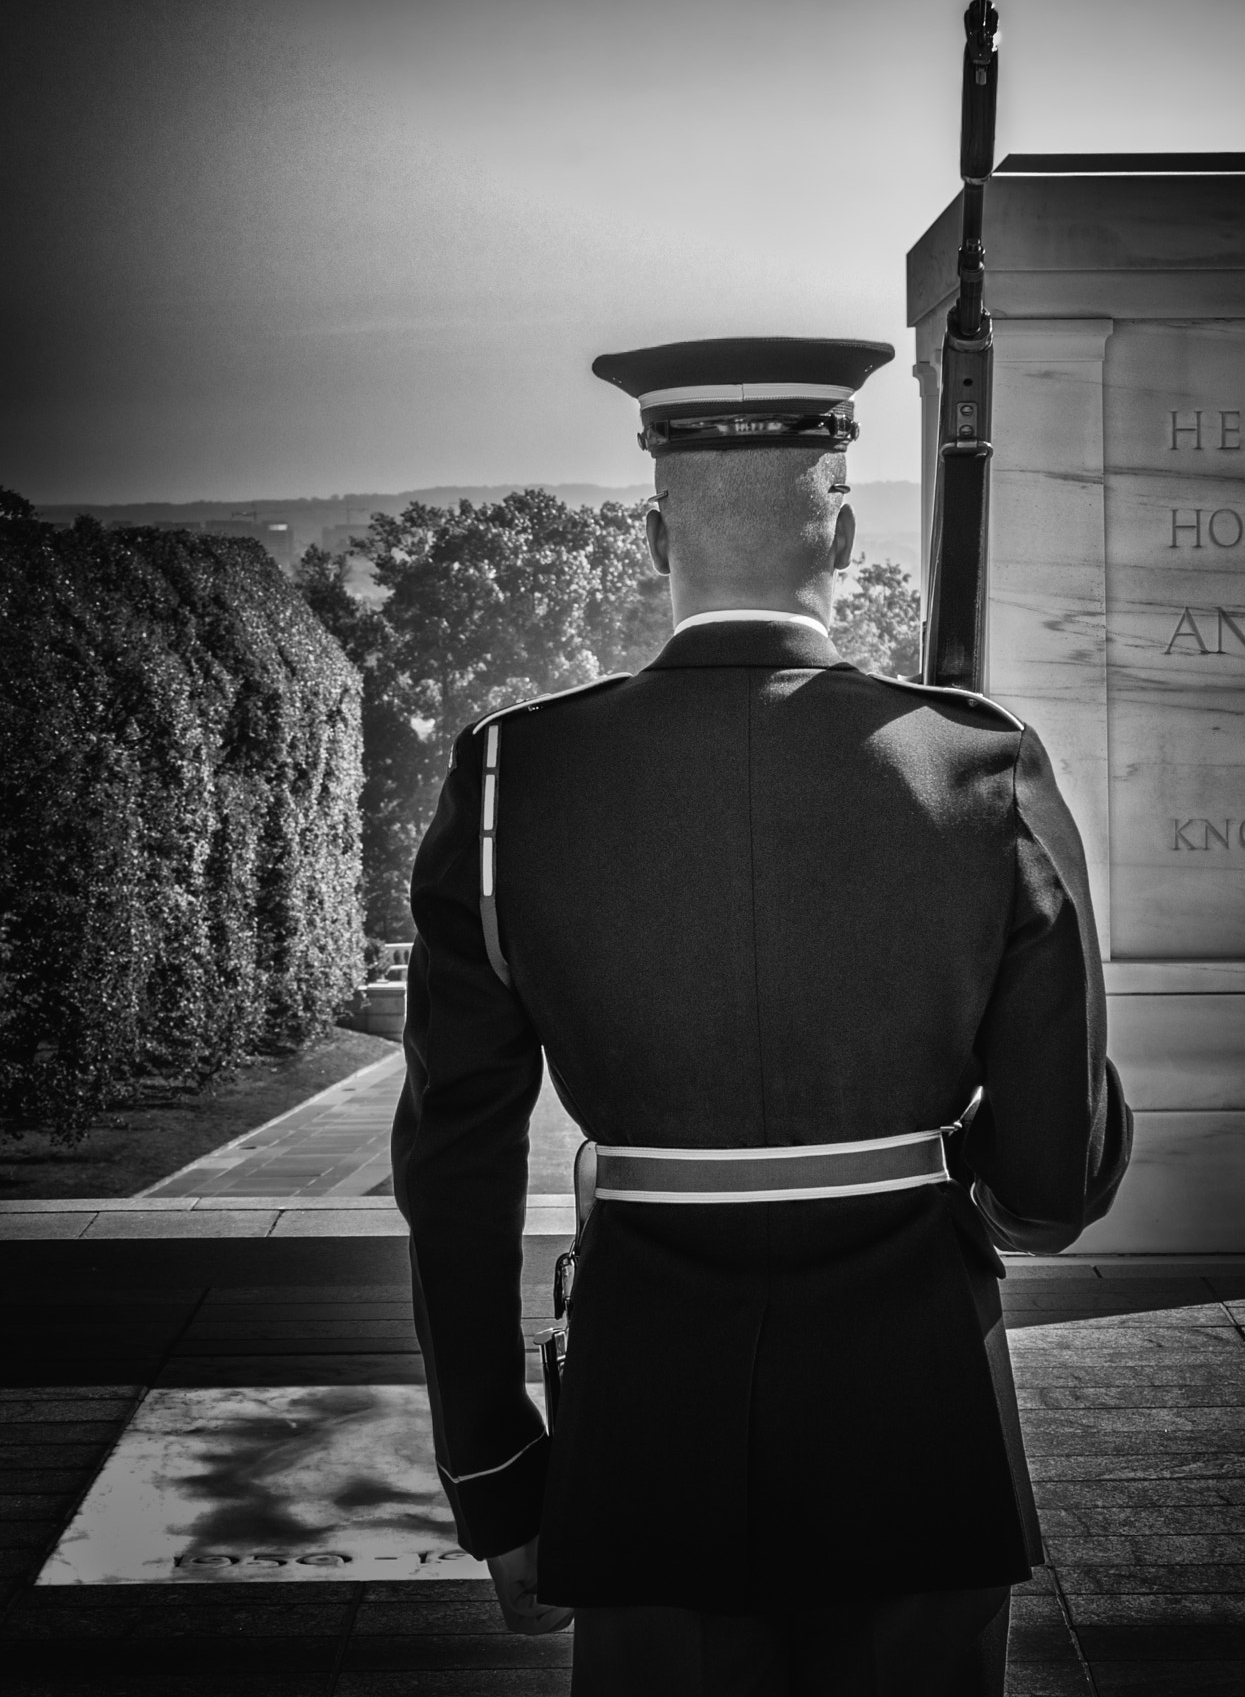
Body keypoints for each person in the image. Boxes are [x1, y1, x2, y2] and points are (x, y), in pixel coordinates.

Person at [393, 336, 1132, 1696]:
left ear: (654, 528)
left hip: (645, 1439)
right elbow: (1049, 1185)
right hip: (921, 1427)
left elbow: (454, 1166)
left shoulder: (512, 779)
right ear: (844, 527)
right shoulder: (978, 761)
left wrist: (497, 1476)